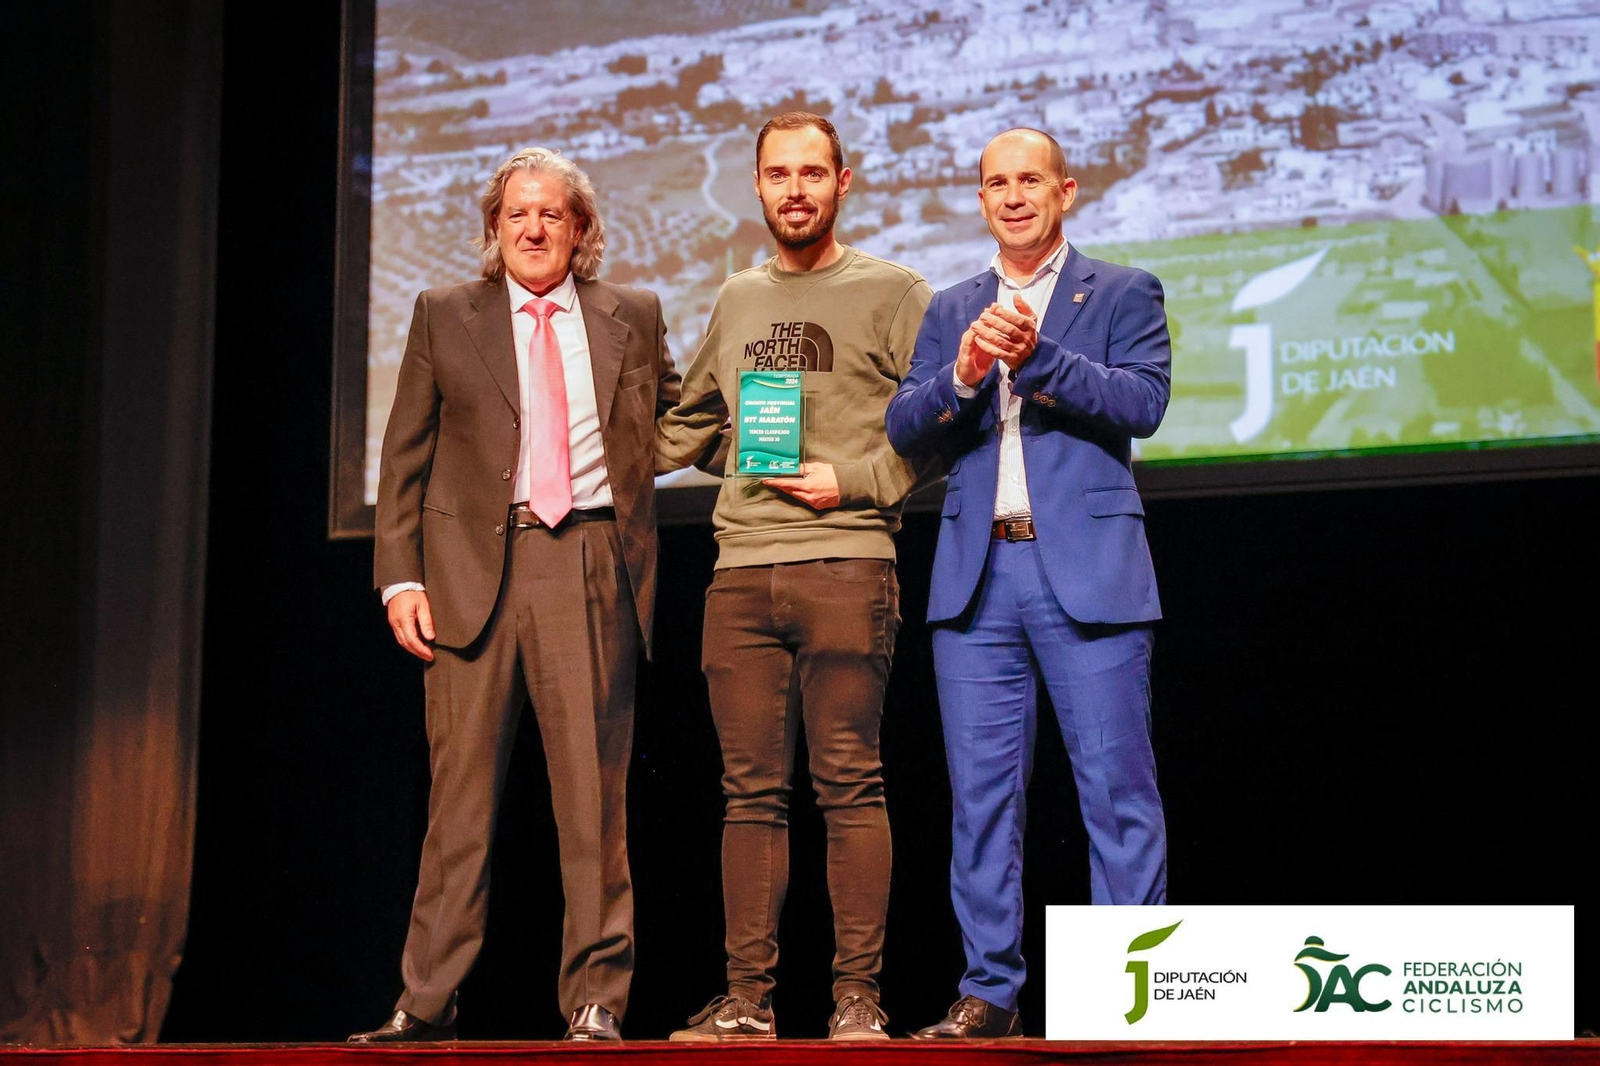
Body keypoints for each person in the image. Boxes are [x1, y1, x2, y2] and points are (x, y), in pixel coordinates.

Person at [352, 146, 680, 1043]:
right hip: (467, 578)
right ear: (495, 229)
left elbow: (686, 420)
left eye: (553, 215)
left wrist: (774, 434)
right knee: (457, 809)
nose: (535, 229)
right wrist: (400, 577)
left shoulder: (634, 316)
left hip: (588, 563)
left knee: (593, 806)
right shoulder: (442, 314)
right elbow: (403, 454)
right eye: (517, 215)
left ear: (581, 230)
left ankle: (596, 1002)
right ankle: (425, 1003)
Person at [885, 128, 1172, 1039]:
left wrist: (1039, 357)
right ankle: (991, 995)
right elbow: (904, 426)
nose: (1013, 197)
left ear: (1066, 191)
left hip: (1086, 572)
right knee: (980, 801)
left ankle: (1129, 1000)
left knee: (1116, 792)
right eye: (996, 184)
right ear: (980, 199)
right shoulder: (951, 306)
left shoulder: (1123, 290)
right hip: (977, 579)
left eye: (1030, 182)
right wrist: (965, 372)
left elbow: (1145, 403)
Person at [655, 112, 932, 1042]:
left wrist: (851, 480)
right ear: (759, 185)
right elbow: (694, 423)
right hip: (739, 574)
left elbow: (943, 427)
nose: (795, 189)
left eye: (813, 172)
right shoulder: (737, 298)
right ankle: (748, 1003)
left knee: (850, 785)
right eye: (779, 173)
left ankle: (857, 997)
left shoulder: (896, 293)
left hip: (850, 562)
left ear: (843, 183)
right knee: (748, 796)